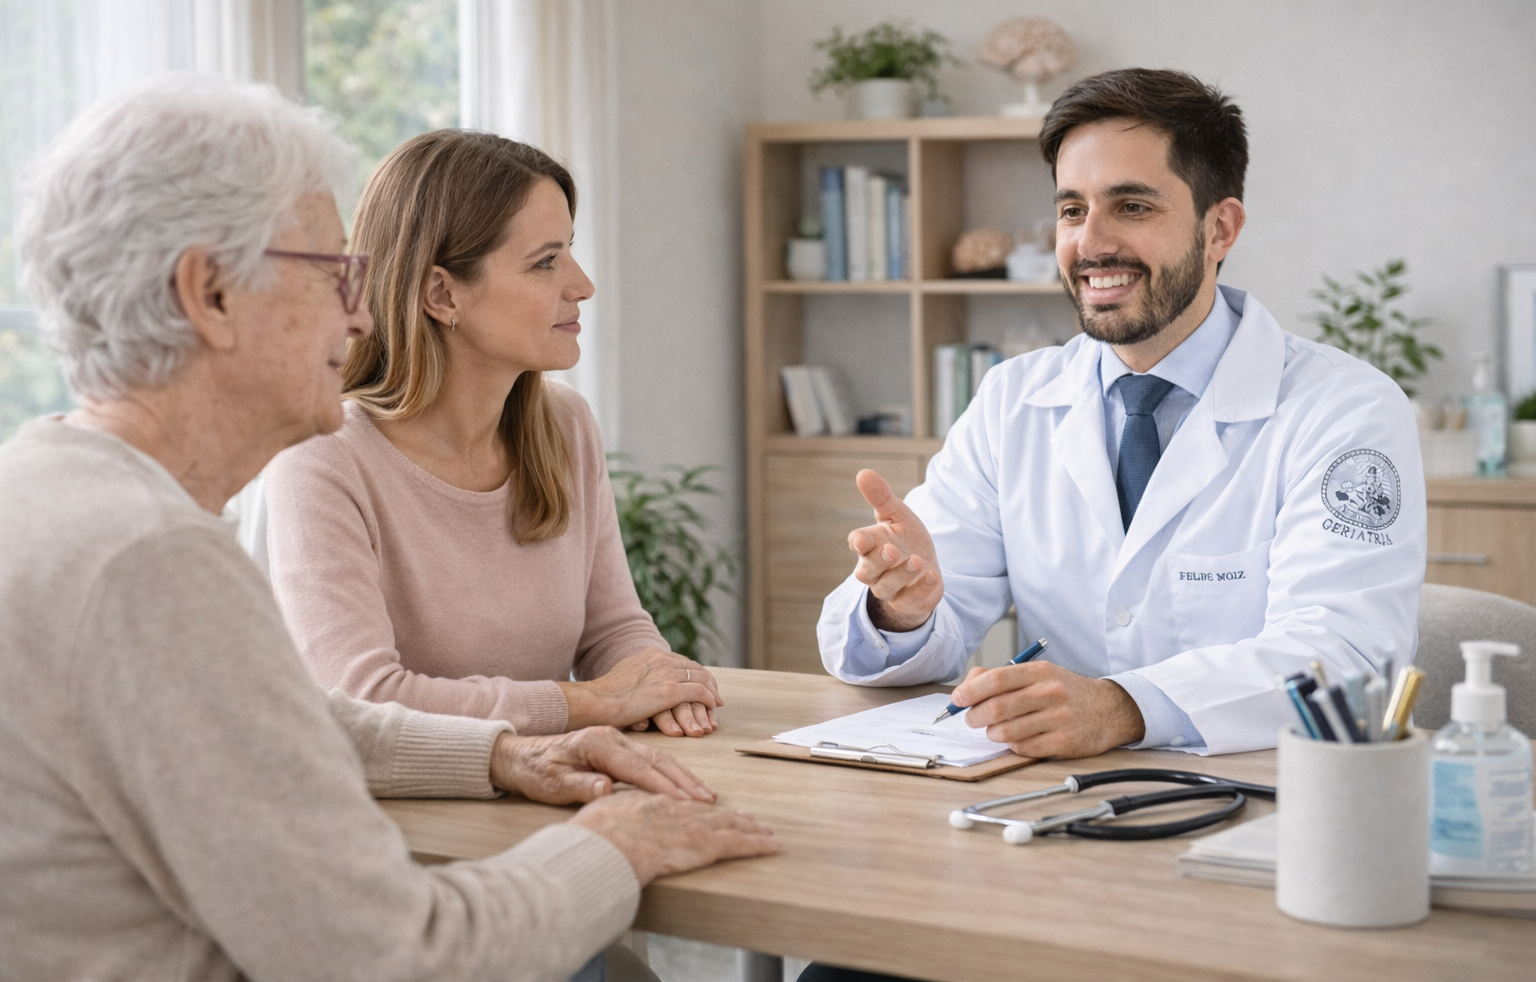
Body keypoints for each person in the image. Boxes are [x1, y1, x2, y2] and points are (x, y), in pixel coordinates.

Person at [0, 73, 778, 982]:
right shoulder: (152, 562)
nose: (364, 312)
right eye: (333, 273)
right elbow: (398, 955)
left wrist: (502, 752)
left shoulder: (48, 490)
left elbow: (296, 727)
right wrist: (614, 845)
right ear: (209, 295)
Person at [817, 67, 1426, 759]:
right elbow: (879, 643)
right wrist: (901, 610)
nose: (1091, 243)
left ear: (1219, 228)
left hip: (1265, 804)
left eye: (1132, 206)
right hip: (1050, 800)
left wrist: (1123, 707)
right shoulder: (1013, 400)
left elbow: (1344, 655)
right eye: (1072, 210)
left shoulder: (1343, 409)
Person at [260, 129, 721, 740]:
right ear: (441, 292)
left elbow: (612, 630)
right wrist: (591, 704)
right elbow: (362, 698)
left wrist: (663, 685)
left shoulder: (564, 425)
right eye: (545, 262)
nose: (582, 285)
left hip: (545, 785)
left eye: (570, 252)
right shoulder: (320, 459)